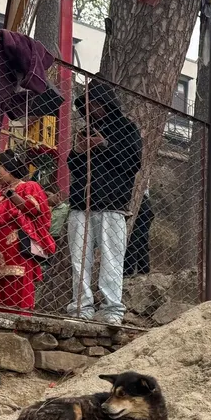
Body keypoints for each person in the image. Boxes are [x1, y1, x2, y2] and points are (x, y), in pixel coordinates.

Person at [67, 79, 142, 324]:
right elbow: (74, 167)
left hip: (112, 203)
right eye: (87, 105)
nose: (90, 110)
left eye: (95, 104)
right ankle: (81, 307)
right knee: (79, 260)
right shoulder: (86, 129)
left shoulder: (126, 129)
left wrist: (105, 145)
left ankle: (112, 310)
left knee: (111, 259)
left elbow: (132, 163)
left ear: (105, 104)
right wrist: (79, 150)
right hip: (81, 203)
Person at [0, 150, 55, 312]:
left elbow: (34, 209)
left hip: (18, 247)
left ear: (9, 169)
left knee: (16, 286)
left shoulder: (29, 186)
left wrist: (11, 195)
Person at [124, 188, 153, 275]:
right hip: (145, 203)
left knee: (132, 238)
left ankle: (127, 271)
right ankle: (144, 269)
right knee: (141, 239)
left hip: (138, 201)